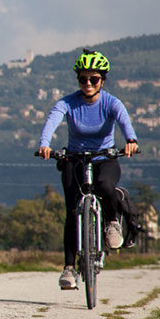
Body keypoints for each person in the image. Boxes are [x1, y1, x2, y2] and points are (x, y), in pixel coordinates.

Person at [37, 49, 139, 290]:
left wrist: (131, 140)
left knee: (105, 186)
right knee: (72, 211)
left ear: (102, 80)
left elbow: (124, 120)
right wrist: (44, 144)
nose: (88, 84)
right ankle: (69, 268)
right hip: (76, 159)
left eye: (94, 79)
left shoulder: (111, 102)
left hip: (105, 157)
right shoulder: (68, 102)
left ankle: (112, 221)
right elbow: (53, 118)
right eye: (84, 79)